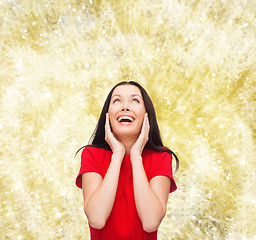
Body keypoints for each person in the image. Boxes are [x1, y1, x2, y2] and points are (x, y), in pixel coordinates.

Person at [75, 81, 179, 240]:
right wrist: (117, 154)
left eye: (135, 100)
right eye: (117, 100)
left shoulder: (161, 157)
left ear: (146, 114)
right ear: (107, 115)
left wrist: (136, 156)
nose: (125, 107)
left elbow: (151, 222)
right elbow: (96, 219)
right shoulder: (91, 154)